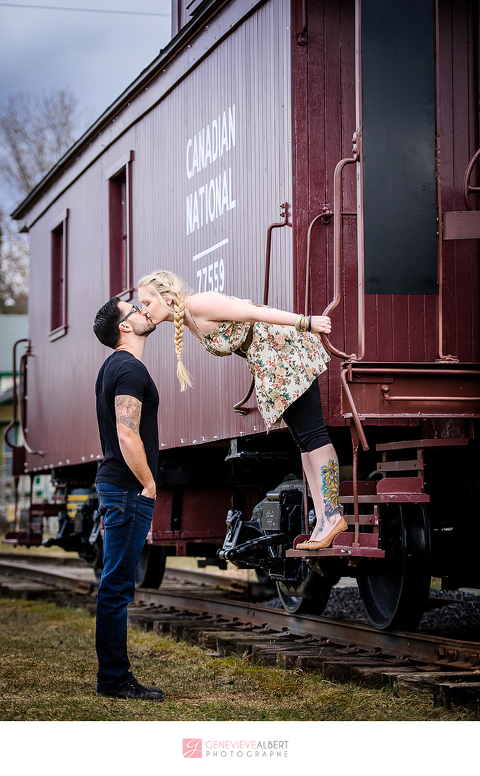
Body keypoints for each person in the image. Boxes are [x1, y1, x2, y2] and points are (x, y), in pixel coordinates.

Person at [136, 270, 347, 551]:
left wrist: (306, 322)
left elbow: (253, 312)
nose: (144, 310)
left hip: (285, 352)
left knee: (314, 434)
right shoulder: (188, 320)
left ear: (166, 297)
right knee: (303, 441)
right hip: (271, 362)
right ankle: (324, 520)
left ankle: (332, 517)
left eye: (147, 303)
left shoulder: (198, 304)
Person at [92, 297, 164, 700]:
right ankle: (115, 679)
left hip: (117, 486)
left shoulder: (112, 368)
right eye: (133, 308)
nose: (141, 310)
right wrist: (149, 484)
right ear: (124, 326)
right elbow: (126, 434)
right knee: (117, 586)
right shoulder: (129, 368)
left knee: (114, 583)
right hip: (126, 488)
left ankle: (114, 676)